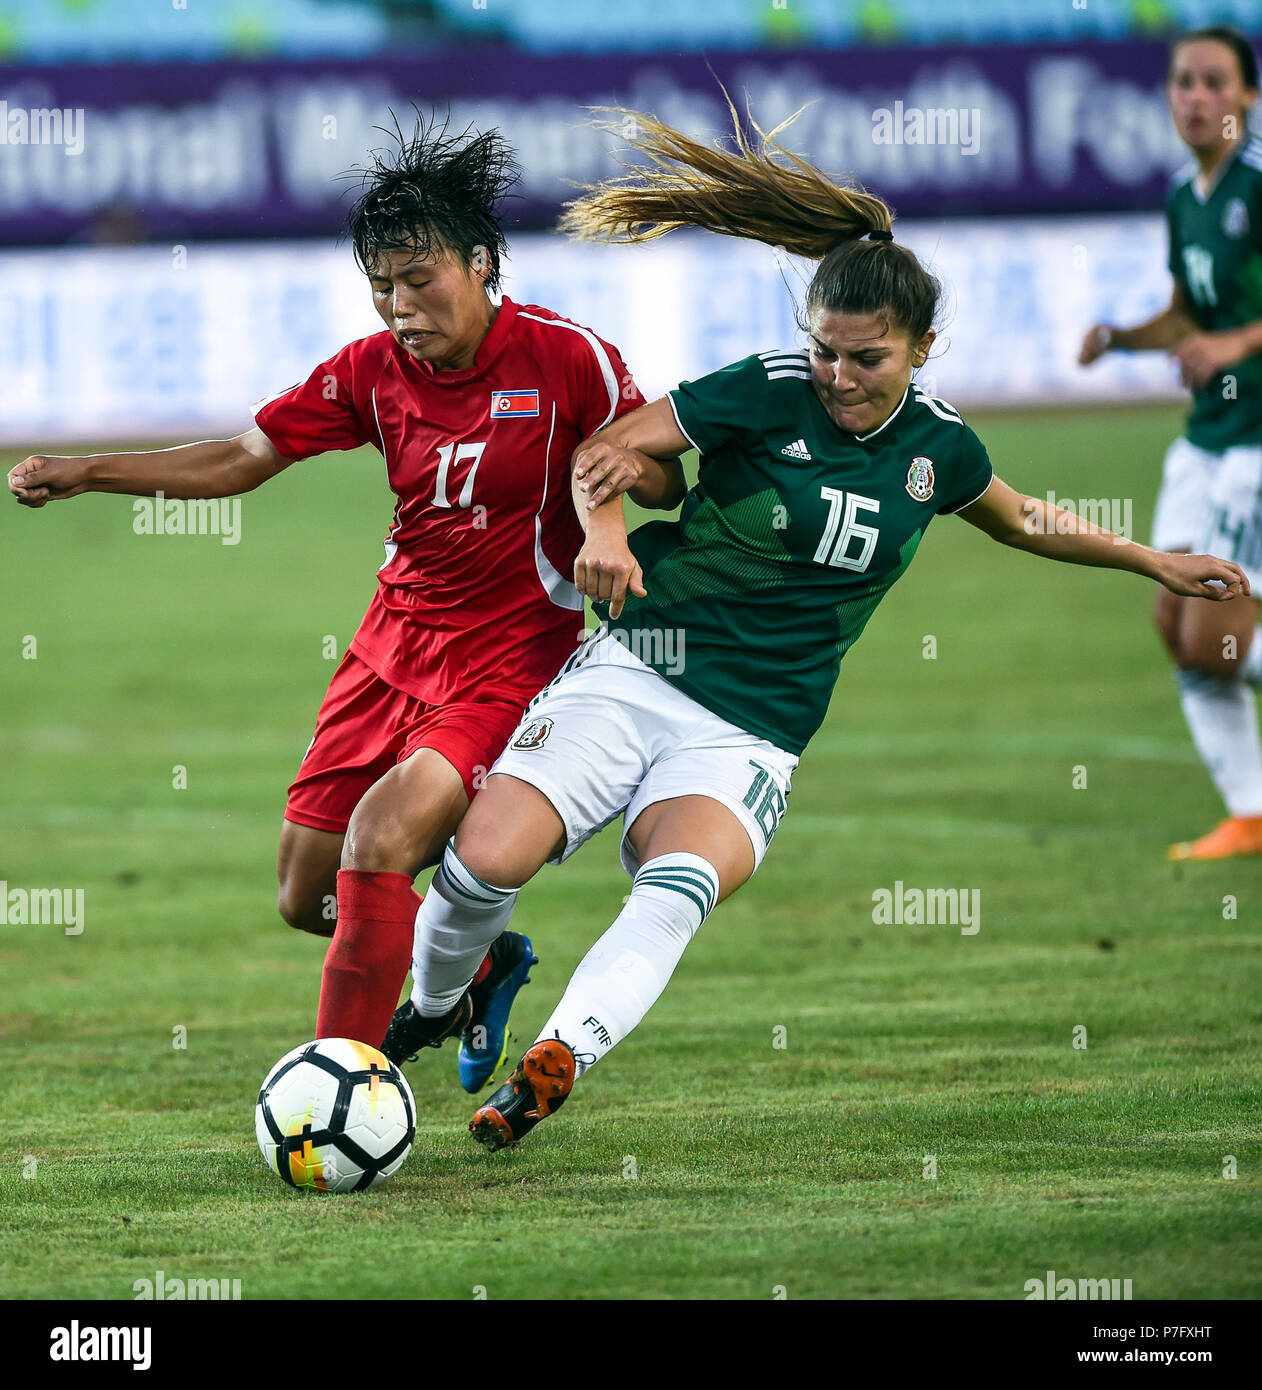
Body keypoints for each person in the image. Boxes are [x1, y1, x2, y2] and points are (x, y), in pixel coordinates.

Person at [378, 103, 1249, 1149]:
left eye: (865, 359)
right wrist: (602, 531)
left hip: (754, 731)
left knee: (676, 889)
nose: (837, 376)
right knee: (481, 864)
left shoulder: (938, 451)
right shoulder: (765, 389)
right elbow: (604, 449)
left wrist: (1149, 559)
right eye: (826, 351)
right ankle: (434, 1005)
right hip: (640, 668)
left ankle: (554, 1062)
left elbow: (1019, 518)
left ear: (922, 348)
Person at [6, 115, 684, 1091]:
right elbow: (245, 456)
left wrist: (608, 497)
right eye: (382, 287)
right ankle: (475, 959)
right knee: (304, 895)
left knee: (381, 838)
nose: (400, 307)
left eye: (420, 280)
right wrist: (91, 470)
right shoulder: (370, 373)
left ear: (481, 263)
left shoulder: (565, 358)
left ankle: (351, 1090)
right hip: (387, 647)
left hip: (506, 659)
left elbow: (662, 474)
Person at [1080, 27, 1262, 860]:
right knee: (1172, 616)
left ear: (1248, 97)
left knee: (1213, 637)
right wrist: (1121, 339)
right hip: (1206, 435)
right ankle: (1250, 814)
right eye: (1183, 82)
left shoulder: (1256, 183)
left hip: (1255, 441)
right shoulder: (1185, 195)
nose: (1196, 97)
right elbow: (1190, 312)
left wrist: (1235, 346)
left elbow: (1225, 333)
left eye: (1214, 82)